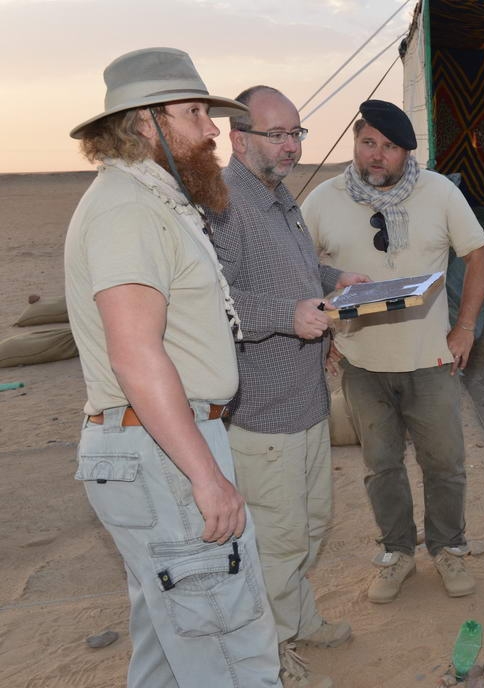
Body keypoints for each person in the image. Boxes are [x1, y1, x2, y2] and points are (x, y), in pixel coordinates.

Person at [64, 47, 279, 686]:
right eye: (194, 113)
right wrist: (205, 476)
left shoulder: (150, 201)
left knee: (171, 642)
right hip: (164, 448)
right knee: (229, 647)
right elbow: (136, 353)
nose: (212, 129)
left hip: (157, 443)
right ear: (145, 121)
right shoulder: (128, 210)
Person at [302, 100, 484, 604]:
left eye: (389, 146)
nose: (377, 155)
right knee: (381, 466)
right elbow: (301, 268)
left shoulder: (440, 192)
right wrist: (324, 333)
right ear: (355, 142)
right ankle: (397, 553)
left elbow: (479, 256)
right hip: (361, 362)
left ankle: (448, 549)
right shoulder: (322, 200)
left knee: (444, 463)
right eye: (368, 143)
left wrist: (465, 328)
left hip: (431, 360)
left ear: (407, 151)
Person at [208, 86, 368, 686]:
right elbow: (212, 300)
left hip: (307, 402)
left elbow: (292, 273)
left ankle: (298, 621)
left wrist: (334, 277)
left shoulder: (279, 197)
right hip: (263, 409)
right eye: (276, 134)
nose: (291, 146)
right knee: (276, 542)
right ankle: (269, 656)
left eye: (296, 133)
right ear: (238, 138)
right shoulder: (223, 204)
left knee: (311, 525)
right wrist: (286, 315)